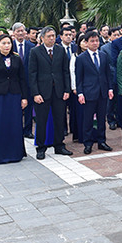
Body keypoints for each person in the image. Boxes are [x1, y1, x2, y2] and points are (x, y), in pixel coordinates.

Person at [28, 26, 73, 160]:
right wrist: (35, 93)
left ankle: (59, 145)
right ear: (42, 38)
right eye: (49, 36)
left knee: (60, 119)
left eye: (53, 36)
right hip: (42, 92)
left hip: (58, 91)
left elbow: (65, 71)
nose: (52, 38)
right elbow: (32, 74)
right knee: (41, 120)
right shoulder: (35, 52)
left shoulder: (60, 50)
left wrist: (67, 90)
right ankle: (41, 148)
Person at [0, 33, 29, 164]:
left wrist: (24, 97)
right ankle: (2, 155)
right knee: (1, 125)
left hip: (15, 95)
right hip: (0, 97)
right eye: (3, 43)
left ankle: (16, 154)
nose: (6, 46)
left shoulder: (16, 59)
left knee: (15, 124)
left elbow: (22, 79)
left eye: (9, 43)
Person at [75, 31, 114, 155]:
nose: (95, 43)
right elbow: (78, 78)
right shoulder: (81, 58)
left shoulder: (103, 55)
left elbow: (108, 74)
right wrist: (80, 93)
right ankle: (88, 143)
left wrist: (110, 89)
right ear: (86, 43)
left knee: (102, 118)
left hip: (102, 92)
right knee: (88, 120)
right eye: (92, 41)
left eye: (97, 40)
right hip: (88, 93)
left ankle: (101, 141)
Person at [12, 22, 36, 138]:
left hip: (28, 82)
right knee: (15, 107)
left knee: (28, 107)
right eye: (18, 31)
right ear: (14, 33)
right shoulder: (9, 46)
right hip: (14, 83)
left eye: (22, 30)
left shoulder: (31, 47)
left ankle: (27, 130)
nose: (20, 33)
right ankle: (16, 130)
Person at [59, 26, 78, 138]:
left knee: (73, 108)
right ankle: (64, 129)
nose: (68, 36)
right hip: (62, 83)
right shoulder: (58, 49)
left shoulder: (75, 47)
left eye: (70, 34)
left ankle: (74, 129)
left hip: (74, 82)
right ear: (61, 36)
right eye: (66, 35)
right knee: (62, 108)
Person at [69, 34, 88, 142]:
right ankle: (81, 135)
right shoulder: (75, 56)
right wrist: (74, 87)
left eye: (87, 41)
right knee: (80, 113)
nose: (85, 43)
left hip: (90, 87)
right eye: (83, 41)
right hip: (79, 88)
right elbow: (72, 72)